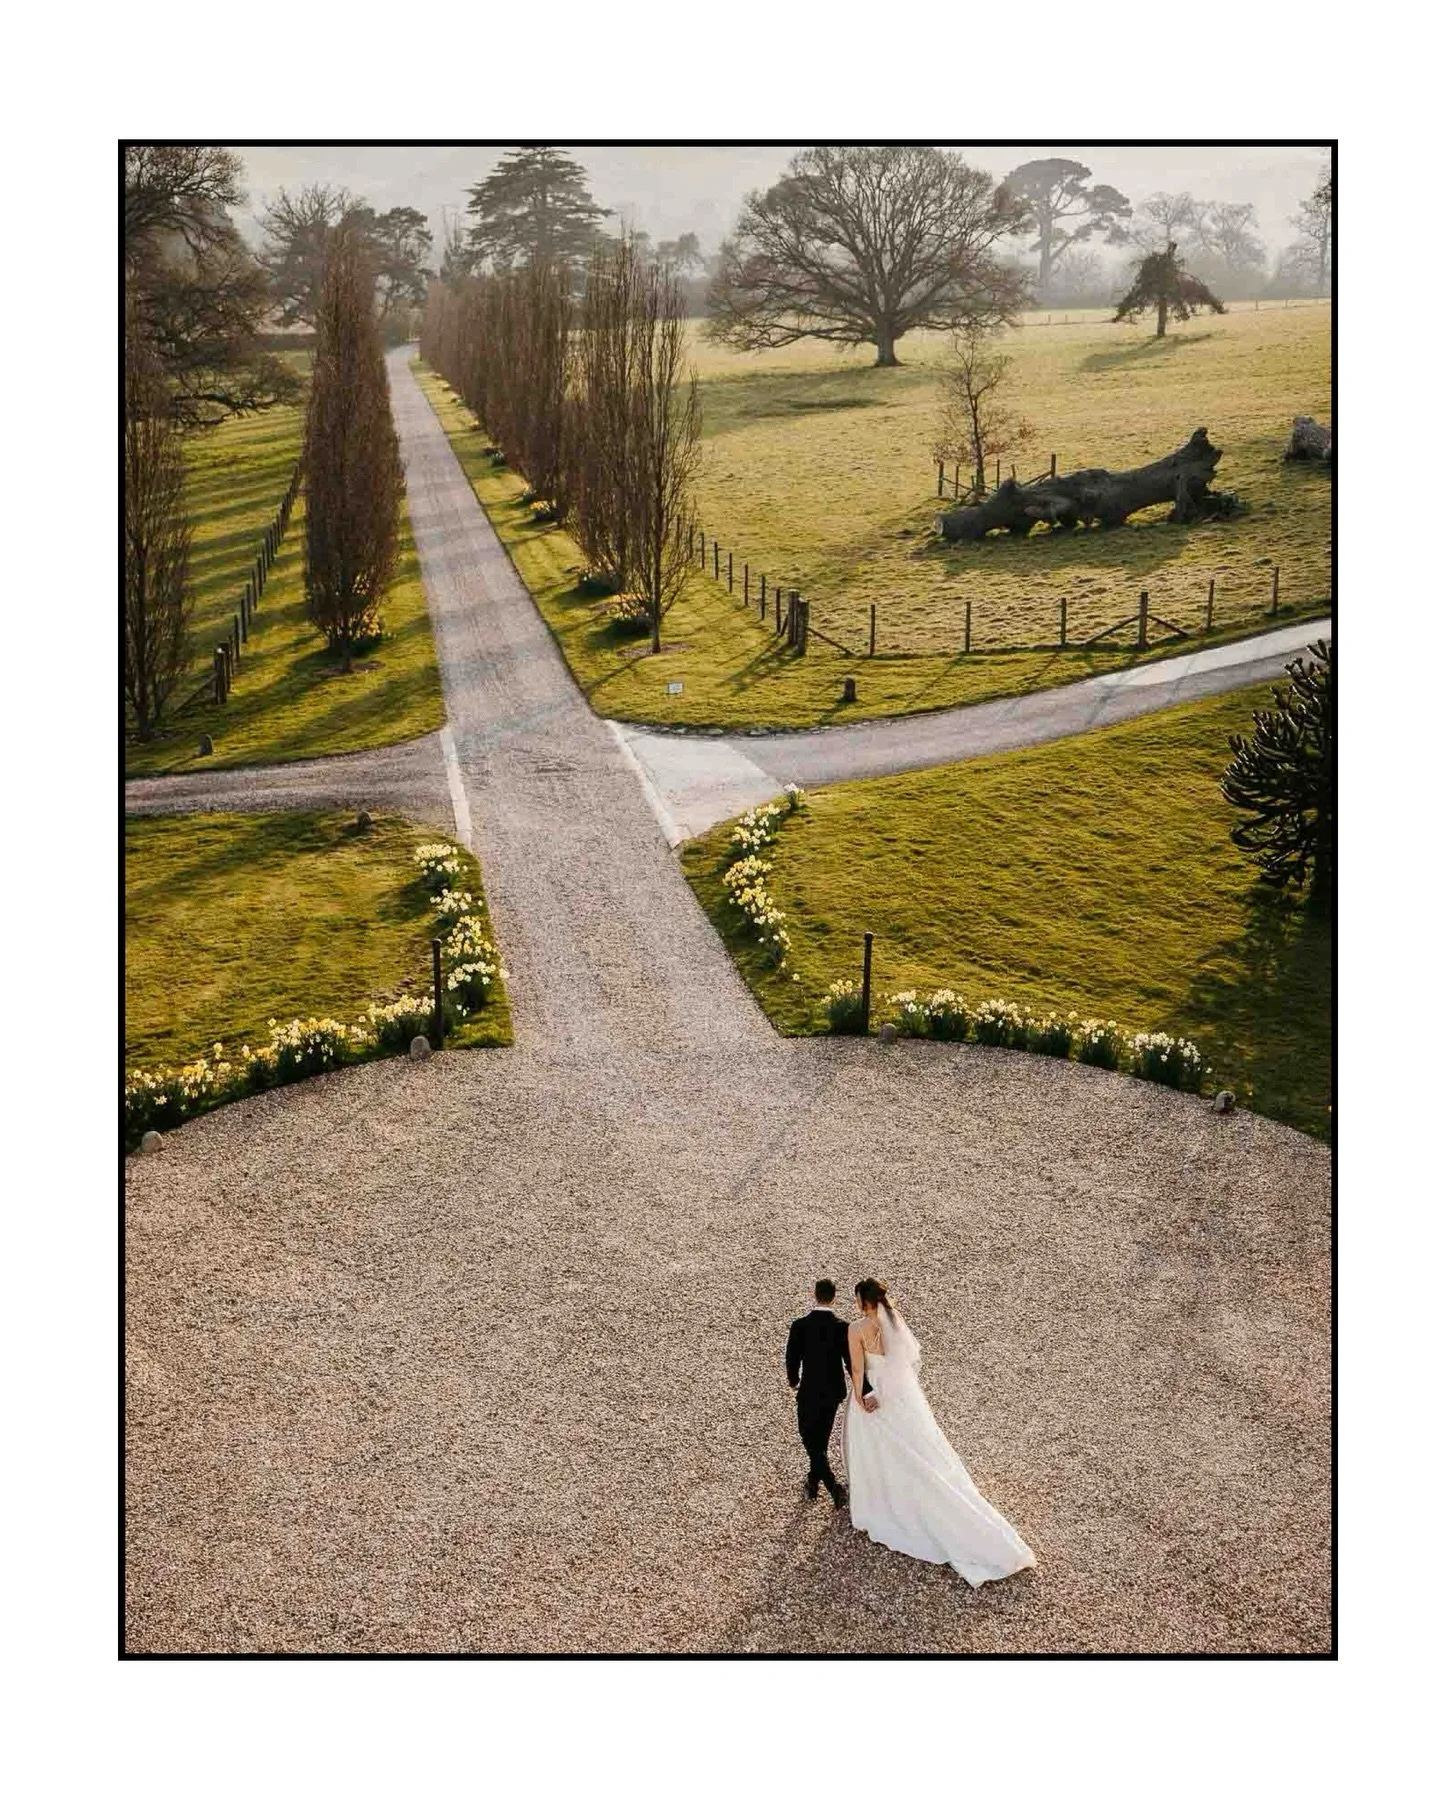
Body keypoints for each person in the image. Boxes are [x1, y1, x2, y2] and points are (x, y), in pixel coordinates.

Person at [843, 1278, 1035, 1587]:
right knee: (920, 1450)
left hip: (874, 1394)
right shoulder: (894, 1319)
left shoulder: (856, 1329)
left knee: (878, 1451)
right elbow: (904, 1363)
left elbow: (857, 1369)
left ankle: (882, 1500)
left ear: (862, 1301)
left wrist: (861, 1395)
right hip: (899, 1397)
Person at [784, 1280, 852, 1508]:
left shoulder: (800, 1326)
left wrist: (794, 1381)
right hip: (833, 1393)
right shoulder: (842, 1327)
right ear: (834, 1297)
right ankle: (813, 1481)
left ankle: (833, 1486)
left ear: (814, 1295)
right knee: (820, 1440)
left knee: (808, 1437)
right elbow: (850, 1362)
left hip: (809, 1390)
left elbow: (792, 1358)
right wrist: (862, 1387)